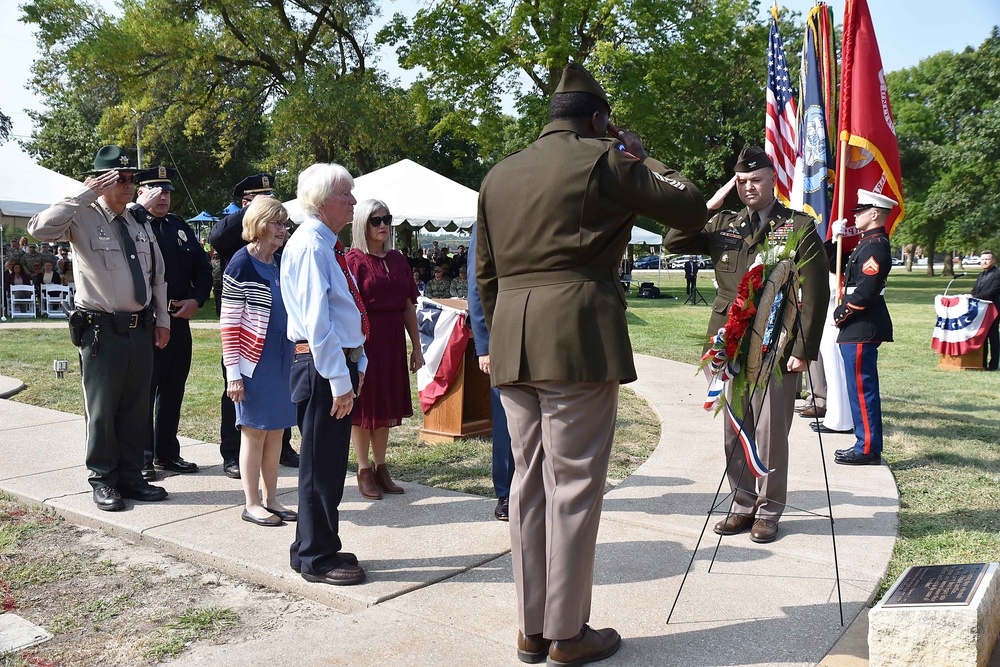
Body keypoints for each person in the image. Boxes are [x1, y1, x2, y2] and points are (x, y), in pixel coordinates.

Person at [477, 62, 706, 665]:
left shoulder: (498, 175)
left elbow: (485, 274)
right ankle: (568, 634)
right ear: (598, 119)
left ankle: (532, 629)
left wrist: (503, 333)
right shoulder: (607, 160)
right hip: (576, 335)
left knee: (527, 485)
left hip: (512, 341)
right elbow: (691, 210)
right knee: (573, 485)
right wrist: (642, 154)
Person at [664, 146, 829, 544]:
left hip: (773, 346)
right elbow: (673, 241)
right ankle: (741, 505)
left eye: (756, 179)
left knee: (771, 431)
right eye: (740, 181)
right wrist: (712, 201)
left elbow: (817, 290)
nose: (748, 186)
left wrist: (803, 352)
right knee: (734, 429)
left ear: (774, 180)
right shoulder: (722, 222)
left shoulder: (796, 226)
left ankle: (769, 512)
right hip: (728, 344)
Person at [28, 145, 170, 511]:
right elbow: (39, 229)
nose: (128, 184)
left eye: (131, 178)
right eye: (119, 178)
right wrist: (86, 192)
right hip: (101, 329)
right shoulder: (83, 215)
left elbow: (157, 276)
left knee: (136, 407)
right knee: (103, 408)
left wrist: (162, 319)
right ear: (101, 180)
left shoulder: (138, 220)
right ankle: (103, 479)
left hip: (141, 327)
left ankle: (131, 476)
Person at [281, 162, 367, 586]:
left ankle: (314, 545)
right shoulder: (313, 246)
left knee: (329, 464)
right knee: (320, 466)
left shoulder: (324, 244)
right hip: (320, 366)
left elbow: (342, 310)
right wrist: (340, 379)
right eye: (346, 195)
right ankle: (316, 556)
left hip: (331, 363)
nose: (354, 201)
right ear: (321, 200)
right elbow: (318, 323)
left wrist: (358, 361)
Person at [209, 173, 300, 477]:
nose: (282, 229)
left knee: (277, 414)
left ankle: (284, 448)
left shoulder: (278, 252)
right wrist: (251, 209)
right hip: (247, 345)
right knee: (241, 407)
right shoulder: (238, 247)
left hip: (278, 348)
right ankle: (232, 454)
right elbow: (216, 238)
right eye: (274, 220)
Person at [130, 167, 213, 480]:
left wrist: (197, 300)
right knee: (145, 389)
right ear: (141, 193)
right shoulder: (134, 225)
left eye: (167, 191)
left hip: (179, 319)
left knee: (173, 388)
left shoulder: (179, 226)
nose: (163, 197)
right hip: (148, 319)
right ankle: (142, 457)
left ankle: (167, 453)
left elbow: (203, 269)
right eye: (156, 190)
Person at [221, 196, 298, 525]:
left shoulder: (280, 261)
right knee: (253, 432)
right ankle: (251, 503)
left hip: (284, 359)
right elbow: (229, 323)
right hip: (254, 362)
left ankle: (271, 499)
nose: (283, 229)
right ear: (259, 225)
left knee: (277, 432)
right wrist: (233, 373)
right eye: (276, 223)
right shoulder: (240, 263)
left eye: (284, 223)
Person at [345, 200, 424, 499]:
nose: (382, 225)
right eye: (375, 220)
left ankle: (381, 467)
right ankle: (363, 469)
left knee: (386, 404)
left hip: (392, 340)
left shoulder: (398, 259)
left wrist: (416, 347)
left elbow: (407, 305)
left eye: (386, 219)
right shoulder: (353, 260)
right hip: (364, 341)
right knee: (366, 406)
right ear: (362, 224)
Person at [832, 190, 896, 465]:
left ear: (875, 214)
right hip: (857, 325)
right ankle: (864, 442)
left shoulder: (875, 245)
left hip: (861, 323)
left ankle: (867, 448)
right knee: (858, 388)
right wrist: (834, 239)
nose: (854, 214)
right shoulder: (865, 242)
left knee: (862, 388)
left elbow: (867, 291)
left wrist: (842, 313)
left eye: (860, 210)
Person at [467, 226, 515, 521]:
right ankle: (507, 491)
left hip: (544, 335)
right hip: (503, 336)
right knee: (506, 416)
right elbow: (478, 284)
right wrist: (484, 345)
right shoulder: (489, 216)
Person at [971, 249, 1000, 371]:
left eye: (987, 259)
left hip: (993, 309)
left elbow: (994, 291)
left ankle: (993, 364)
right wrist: (971, 296)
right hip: (981, 310)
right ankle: (981, 363)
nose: (984, 261)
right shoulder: (981, 274)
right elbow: (975, 290)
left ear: (993, 260)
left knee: (993, 336)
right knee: (982, 335)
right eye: (982, 259)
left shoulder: (998, 274)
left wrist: (976, 297)